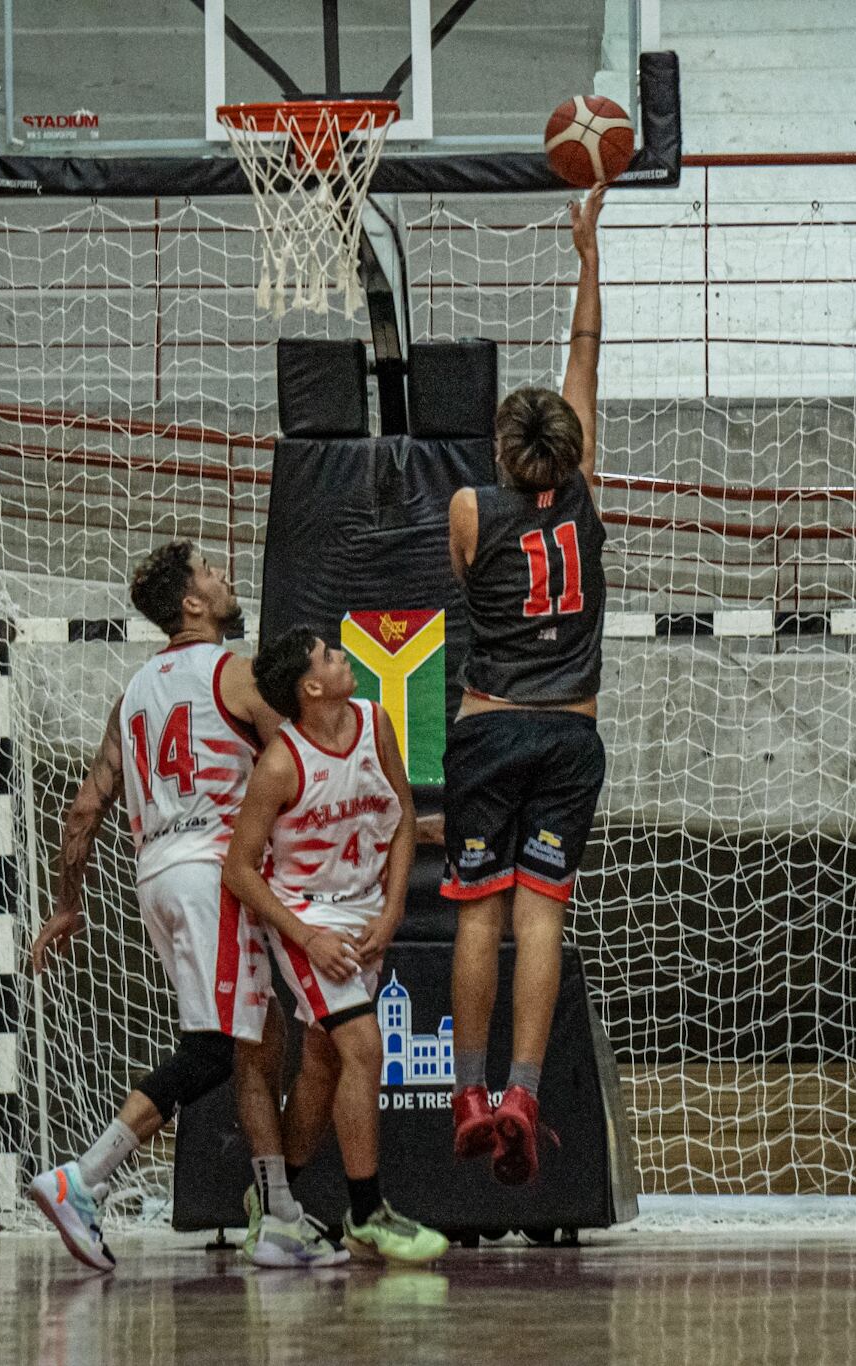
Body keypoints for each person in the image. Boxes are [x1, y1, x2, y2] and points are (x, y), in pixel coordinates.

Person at [24, 542, 343, 1271]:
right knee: (212, 1046)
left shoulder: (133, 692)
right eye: (208, 571)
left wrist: (67, 905)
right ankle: (85, 1177)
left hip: (157, 877)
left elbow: (82, 811)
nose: (223, 574)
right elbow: (299, 764)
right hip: (212, 875)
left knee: (254, 1039)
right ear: (192, 606)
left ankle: (280, 1215)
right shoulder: (235, 673)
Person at [442, 184, 610, 1185]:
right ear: (570, 451)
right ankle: (522, 1094)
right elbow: (583, 353)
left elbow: (469, 577)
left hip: (489, 727)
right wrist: (587, 252)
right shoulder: (585, 496)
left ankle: (465, 1094)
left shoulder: (469, 508)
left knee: (477, 914)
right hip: (570, 736)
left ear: (504, 453)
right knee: (542, 913)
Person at [224, 627, 448, 1265]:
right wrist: (307, 936)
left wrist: (396, 906)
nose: (342, 657)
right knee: (364, 1045)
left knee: (322, 1066)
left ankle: (276, 1203)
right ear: (311, 686)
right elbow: (239, 870)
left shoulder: (375, 723)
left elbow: (404, 817)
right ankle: (366, 1212)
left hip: (366, 913)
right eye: (329, 655)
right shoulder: (280, 763)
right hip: (305, 919)